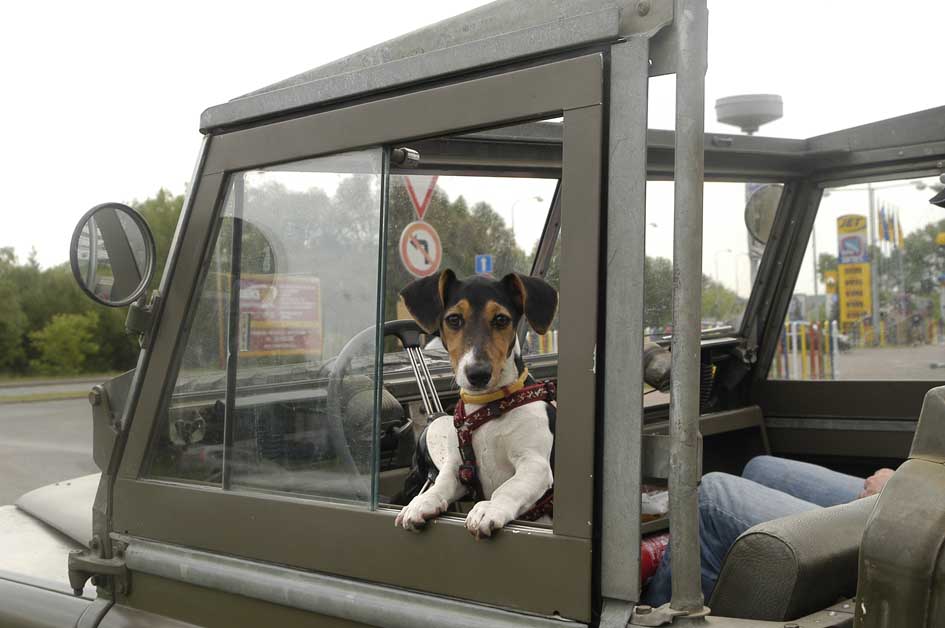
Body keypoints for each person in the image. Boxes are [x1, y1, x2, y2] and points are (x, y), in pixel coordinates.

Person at [641, 455, 895, 606]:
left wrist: (895, 494)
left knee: (712, 495)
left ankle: (657, 612)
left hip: (904, 532)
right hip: (913, 498)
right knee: (760, 469)